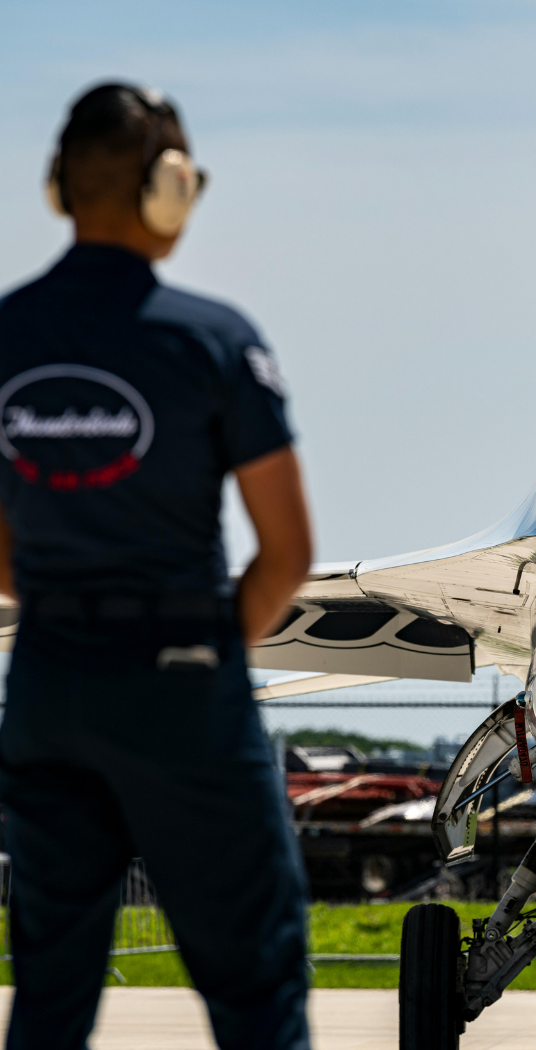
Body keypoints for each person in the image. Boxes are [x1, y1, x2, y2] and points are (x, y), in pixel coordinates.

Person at [0, 83, 313, 1050]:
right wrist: (209, 648)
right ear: (169, 191)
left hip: (47, 677)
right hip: (181, 676)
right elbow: (288, 550)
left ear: (58, 188)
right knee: (256, 983)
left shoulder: (7, 335)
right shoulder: (211, 339)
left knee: (50, 990)